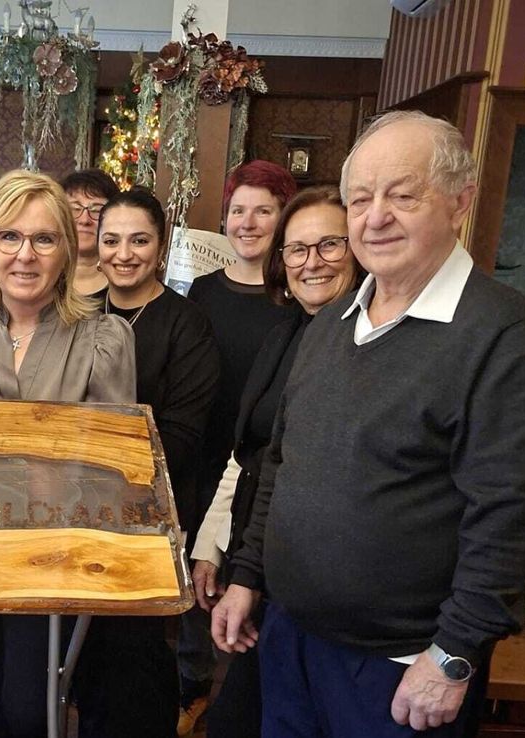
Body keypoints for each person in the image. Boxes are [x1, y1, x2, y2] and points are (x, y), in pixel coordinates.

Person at [213, 111, 525, 738]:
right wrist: (248, 577)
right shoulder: (330, 323)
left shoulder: (503, 336)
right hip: (291, 635)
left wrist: (454, 654)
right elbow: (282, 469)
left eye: (403, 195)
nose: (376, 217)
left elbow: (509, 515)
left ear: (460, 201)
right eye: (361, 199)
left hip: (404, 665)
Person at [0, 169, 136, 738]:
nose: (24, 255)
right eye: (9, 237)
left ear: (67, 247)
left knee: (30, 711)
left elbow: (114, 465)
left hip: (54, 555)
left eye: (43, 238)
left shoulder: (104, 337)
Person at [189, 185, 362, 738]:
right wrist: (215, 544)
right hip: (260, 558)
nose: (311, 263)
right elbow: (251, 454)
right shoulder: (284, 333)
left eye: (328, 246)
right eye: (296, 249)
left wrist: (250, 574)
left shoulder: (365, 347)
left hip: (312, 579)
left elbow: (301, 474)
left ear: (357, 249)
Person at [70, 186, 219, 738]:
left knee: (134, 657)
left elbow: (183, 433)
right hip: (75, 511)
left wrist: (105, 463)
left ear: (160, 248)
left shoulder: (187, 323)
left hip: (149, 514)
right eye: (111, 240)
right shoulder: (78, 314)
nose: (123, 253)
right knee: (81, 653)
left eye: (139, 241)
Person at [180, 160, 298, 732]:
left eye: (263, 211)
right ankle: (193, 685)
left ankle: (245, 690)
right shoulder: (202, 292)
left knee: (248, 577)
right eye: (238, 210)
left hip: (262, 460)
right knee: (194, 578)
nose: (248, 222)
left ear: (283, 219)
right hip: (205, 454)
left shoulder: (297, 298)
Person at [60, 169, 119, 296]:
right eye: (75, 209)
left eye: (96, 210)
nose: (84, 220)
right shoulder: (44, 278)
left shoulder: (124, 281)